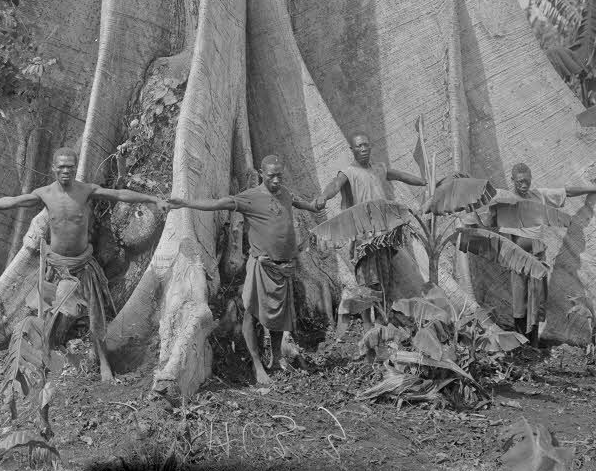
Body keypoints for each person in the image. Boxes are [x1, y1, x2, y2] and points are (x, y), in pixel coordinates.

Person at [0, 147, 167, 382]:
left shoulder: (86, 191)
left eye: (70, 166)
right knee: (45, 314)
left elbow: (120, 195)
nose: (66, 171)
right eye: (61, 167)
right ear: (54, 168)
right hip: (56, 267)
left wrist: (153, 199)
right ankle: (42, 361)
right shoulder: (45, 193)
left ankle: (104, 364)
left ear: (75, 167)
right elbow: (13, 201)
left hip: (83, 265)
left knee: (95, 316)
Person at [165, 155, 334, 385]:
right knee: (250, 313)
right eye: (271, 175)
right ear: (261, 173)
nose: (275, 180)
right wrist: (186, 203)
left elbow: (304, 203)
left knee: (279, 318)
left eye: (279, 176)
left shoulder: (284, 193)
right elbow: (219, 203)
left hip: (283, 269)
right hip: (262, 267)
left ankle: (274, 361)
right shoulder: (251, 197)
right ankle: (256, 365)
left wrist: (317, 203)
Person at [319, 132, 427, 334]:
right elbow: (334, 185)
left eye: (366, 145)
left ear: (371, 147)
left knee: (385, 278)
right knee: (367, 282)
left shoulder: (378, 169)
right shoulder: (348, 171)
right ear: (352, 150)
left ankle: (383, 320)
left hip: (383, 236)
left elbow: (399, 175)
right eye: (358, 146)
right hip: (363, 238)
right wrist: (323, 197)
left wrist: (423, 182)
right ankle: (368, 326)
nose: (363, 149)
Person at [496, 163, 596, 346]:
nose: (524, 185)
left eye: (527, 181)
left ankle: (532, 344)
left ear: (531, 179)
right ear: (512, 181)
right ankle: (521, 345)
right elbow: (505, 236)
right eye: (519, 182)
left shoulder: (538, 196)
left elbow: (566, 191)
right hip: (518, 260)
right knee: (520, 303)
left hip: (538, 259)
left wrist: (595, 189)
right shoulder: (508, 201)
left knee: (536, 302)